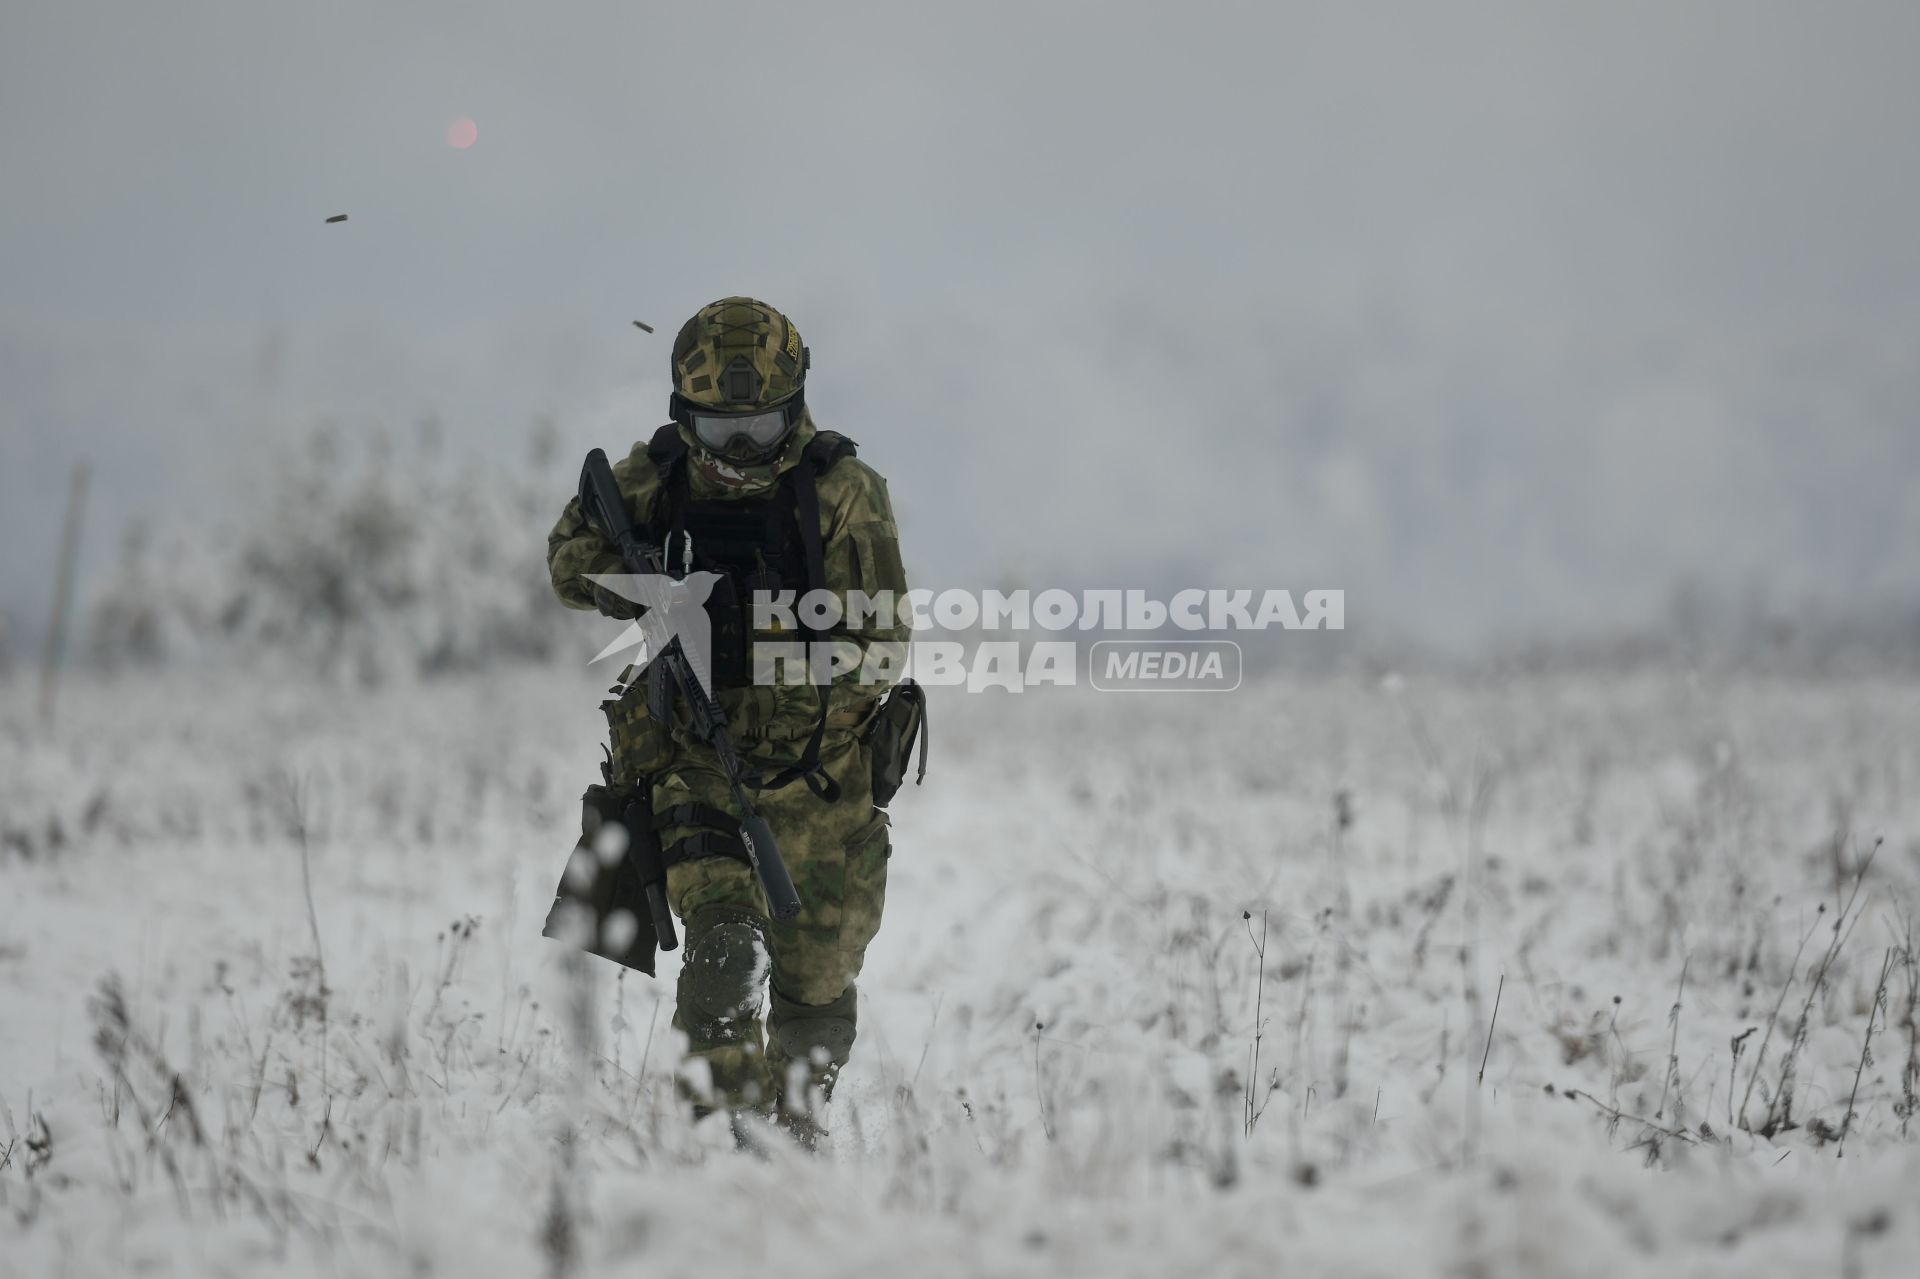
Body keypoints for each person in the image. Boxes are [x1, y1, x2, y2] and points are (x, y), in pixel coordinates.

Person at [546, 297, 912, 1144]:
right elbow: (569, 561)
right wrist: (648, 593)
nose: (740, 451)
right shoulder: (657, 475)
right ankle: (722, 1145)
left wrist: (764, 642)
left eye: (761, 427)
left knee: (818, 983)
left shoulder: (846, 493)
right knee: (725, 951)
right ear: (685, 415)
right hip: (694, 762)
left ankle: (797, 1127)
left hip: (819, 773)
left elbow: (885, 645)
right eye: (720, 431)